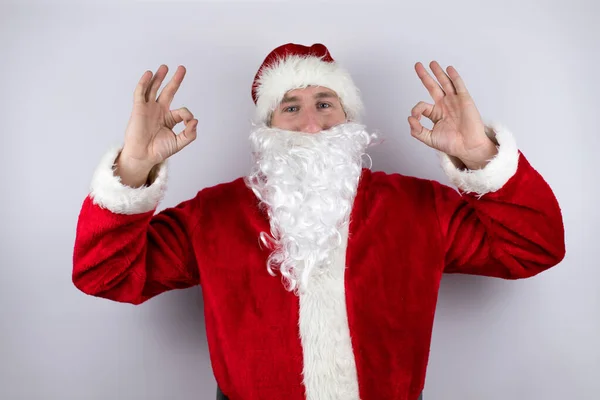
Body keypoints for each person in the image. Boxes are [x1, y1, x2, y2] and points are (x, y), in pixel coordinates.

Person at [72, 43, 566, 400]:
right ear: (267, 129)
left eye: (325, 104)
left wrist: (481, 156)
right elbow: (105, 274)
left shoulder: (418, 207)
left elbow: (534, 248)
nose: (311, 124)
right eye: (291, 107)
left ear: (350, 119)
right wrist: (133, 168)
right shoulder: (213, 215)